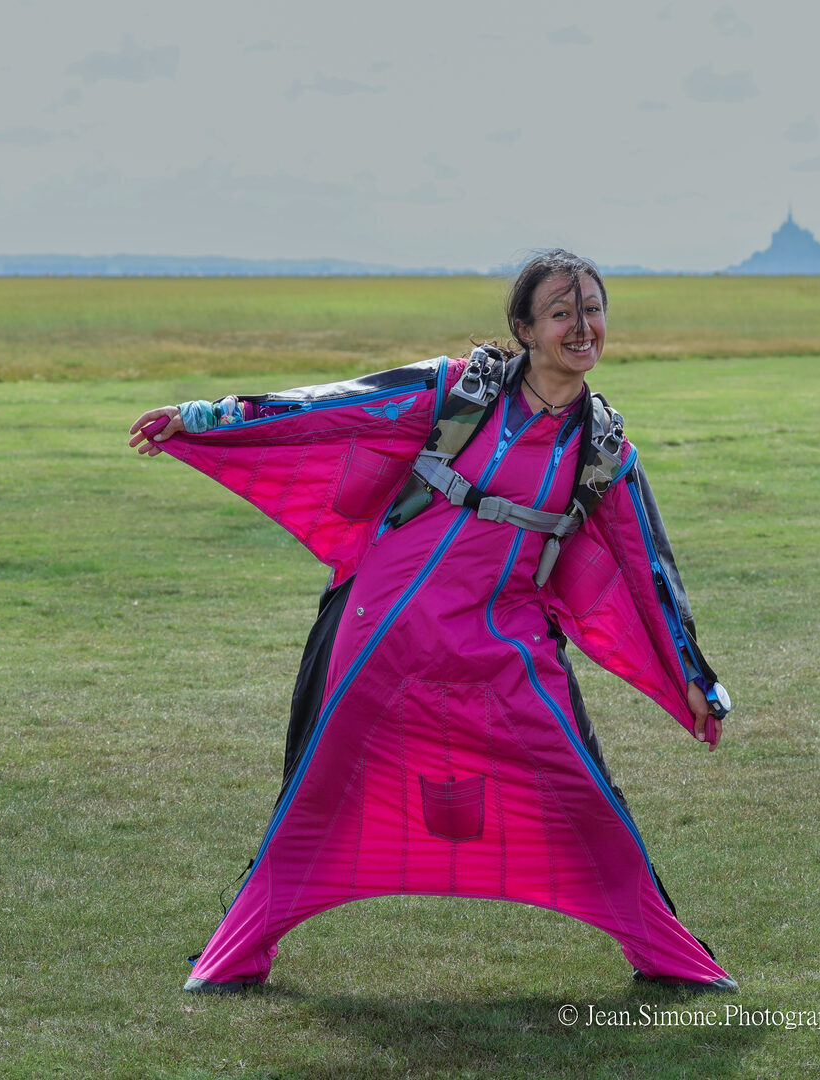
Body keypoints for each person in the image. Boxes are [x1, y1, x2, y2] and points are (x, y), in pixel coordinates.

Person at [130, 250, 736, 993]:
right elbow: (327, 409)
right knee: (316, 795)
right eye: (561, 313)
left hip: (506, 647)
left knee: (586, 796)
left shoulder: (603, 447)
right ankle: (235, 955)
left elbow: (648, 570)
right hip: (387, 628)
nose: (583, 327)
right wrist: (205, 419)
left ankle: (666, 954)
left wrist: (692, 678)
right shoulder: (459, 392)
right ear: (524, 328)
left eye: (592, 310)